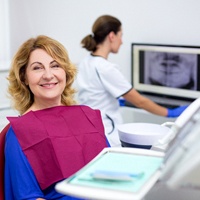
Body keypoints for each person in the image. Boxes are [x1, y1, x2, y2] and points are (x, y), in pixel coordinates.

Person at [3, 35, 109, 200]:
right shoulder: (20, 132)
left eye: (55, 66)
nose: (48, 75)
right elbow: (28, 197)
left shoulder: (88, 116)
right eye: (37, 68)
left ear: (65, 72)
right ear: (24, 77)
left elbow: (111, 172)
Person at [76, 15, 188, 147]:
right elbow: (140, 101)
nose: (122, 41)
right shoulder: (106, 68)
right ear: (112, 36)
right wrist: (170, 113)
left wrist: (115, 101)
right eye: (120, 35)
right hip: (107, 133)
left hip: (90, 130)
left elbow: (93, 94)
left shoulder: (85, 62)